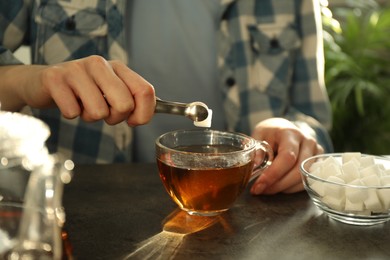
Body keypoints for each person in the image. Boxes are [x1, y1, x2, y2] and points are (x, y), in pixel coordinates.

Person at [0, 0, 333, 195]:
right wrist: (30, 80)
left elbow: (312, 118)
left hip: (244, 222)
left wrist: (294, 132)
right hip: (74, 205)